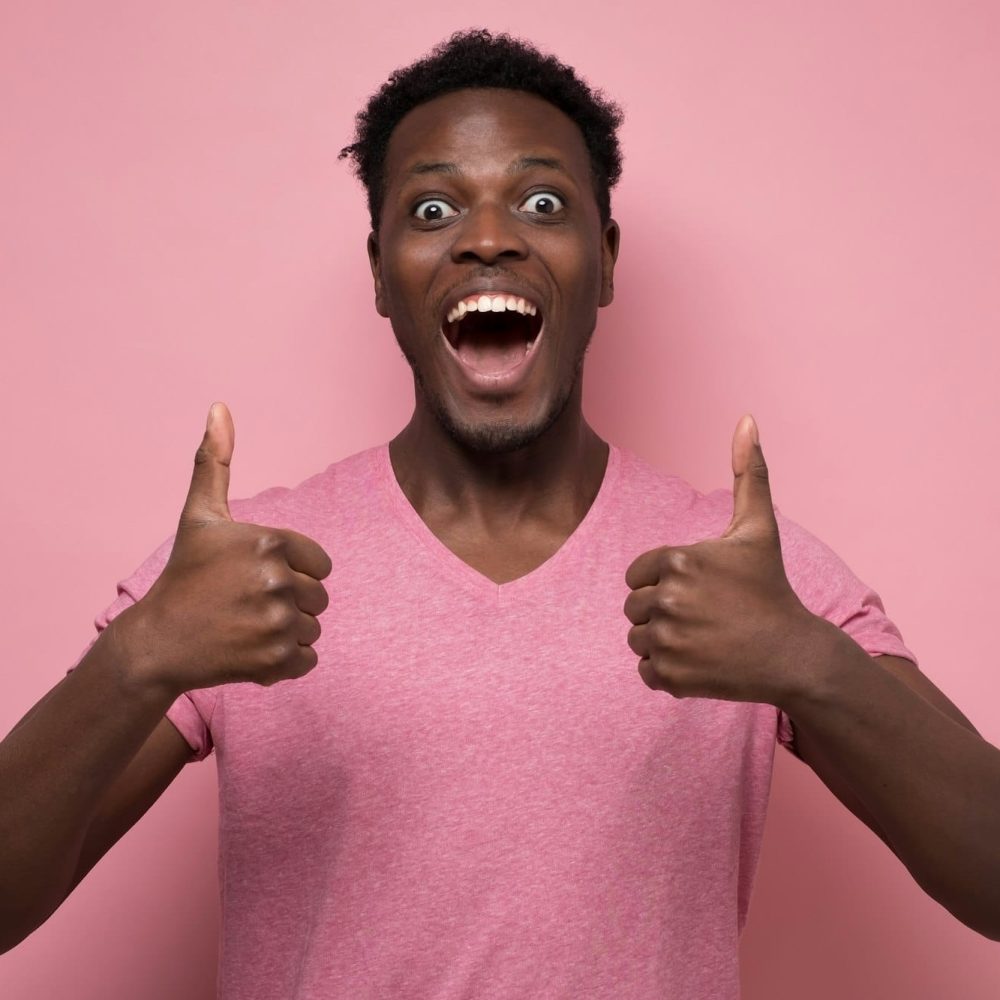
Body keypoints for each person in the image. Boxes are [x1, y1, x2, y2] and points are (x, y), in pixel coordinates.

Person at [1, 27, 998, 999]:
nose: (486, 237)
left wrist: (811, 666)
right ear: (380, 271)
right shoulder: (235, 572)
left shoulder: (743, 574)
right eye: (432, 209)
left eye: (540, 201)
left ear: (603, 260)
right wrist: (140, 655)